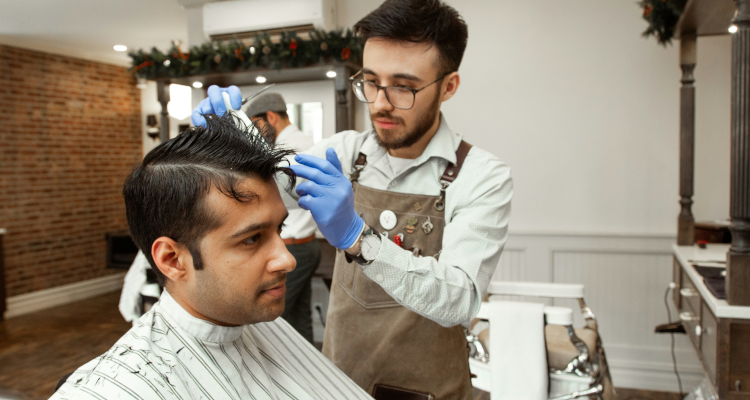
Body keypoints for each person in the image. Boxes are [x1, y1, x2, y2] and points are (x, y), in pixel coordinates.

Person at [192, 1, 513, 398]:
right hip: (340, 379)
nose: (380, 102)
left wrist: (359, 238)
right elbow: (269, 180)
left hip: (429, 387)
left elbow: (460, 301)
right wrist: (227, 134)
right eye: (372, 81)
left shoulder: (481, 175)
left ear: (448, 86)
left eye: (403, 86)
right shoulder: (345, 153)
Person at [51, 114, 372, 400]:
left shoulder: (259, 321)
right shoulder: (110, 390)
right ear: (173, 260)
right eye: (252, 239)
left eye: (279, 229)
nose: (287, 260)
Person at [245, 93, 321, 344]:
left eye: (256, 125)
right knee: (299, 320)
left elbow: (269, 196)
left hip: (294, 247)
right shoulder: (303, 140)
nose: (256, 132)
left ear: (271, 117)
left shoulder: (289, 149)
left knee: (273, 326)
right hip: (304, 245)